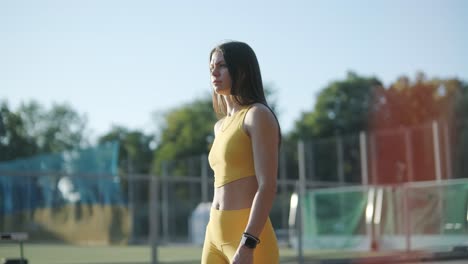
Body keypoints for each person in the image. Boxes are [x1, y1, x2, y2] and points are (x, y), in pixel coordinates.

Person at [201, 41, 281, 264]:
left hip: (250, 239)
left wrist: (248, 244)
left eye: (222, 66)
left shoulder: (257, 115)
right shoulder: (219, 127)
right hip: (214, 234)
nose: (214, 73)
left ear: (242, 70)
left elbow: (268, 186)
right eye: (211, 68)